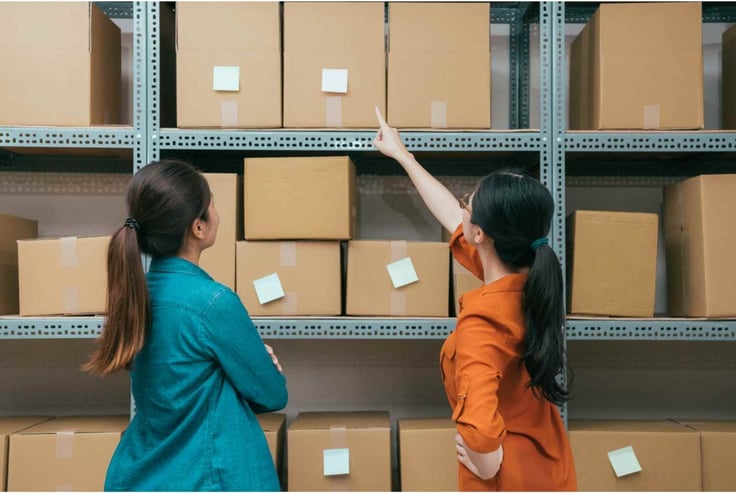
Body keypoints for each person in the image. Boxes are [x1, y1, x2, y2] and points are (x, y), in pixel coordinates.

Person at [373, 108, 576, 491]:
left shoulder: (482, 323)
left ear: (481, 234)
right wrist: (403, 156)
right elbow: (452, 216)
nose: (462, 206)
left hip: (509, 478)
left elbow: (481, 432)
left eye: (469, 203)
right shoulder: (529, 278)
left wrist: (487, 463)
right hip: (548, 467)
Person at [84, 159, 287, 491]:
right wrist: (255, 365)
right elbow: (273, 395)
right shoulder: (213, 303)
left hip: (143, 476)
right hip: (208, 479)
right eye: (213, 204)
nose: (218, 213)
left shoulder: (135, 294)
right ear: (198, 227)